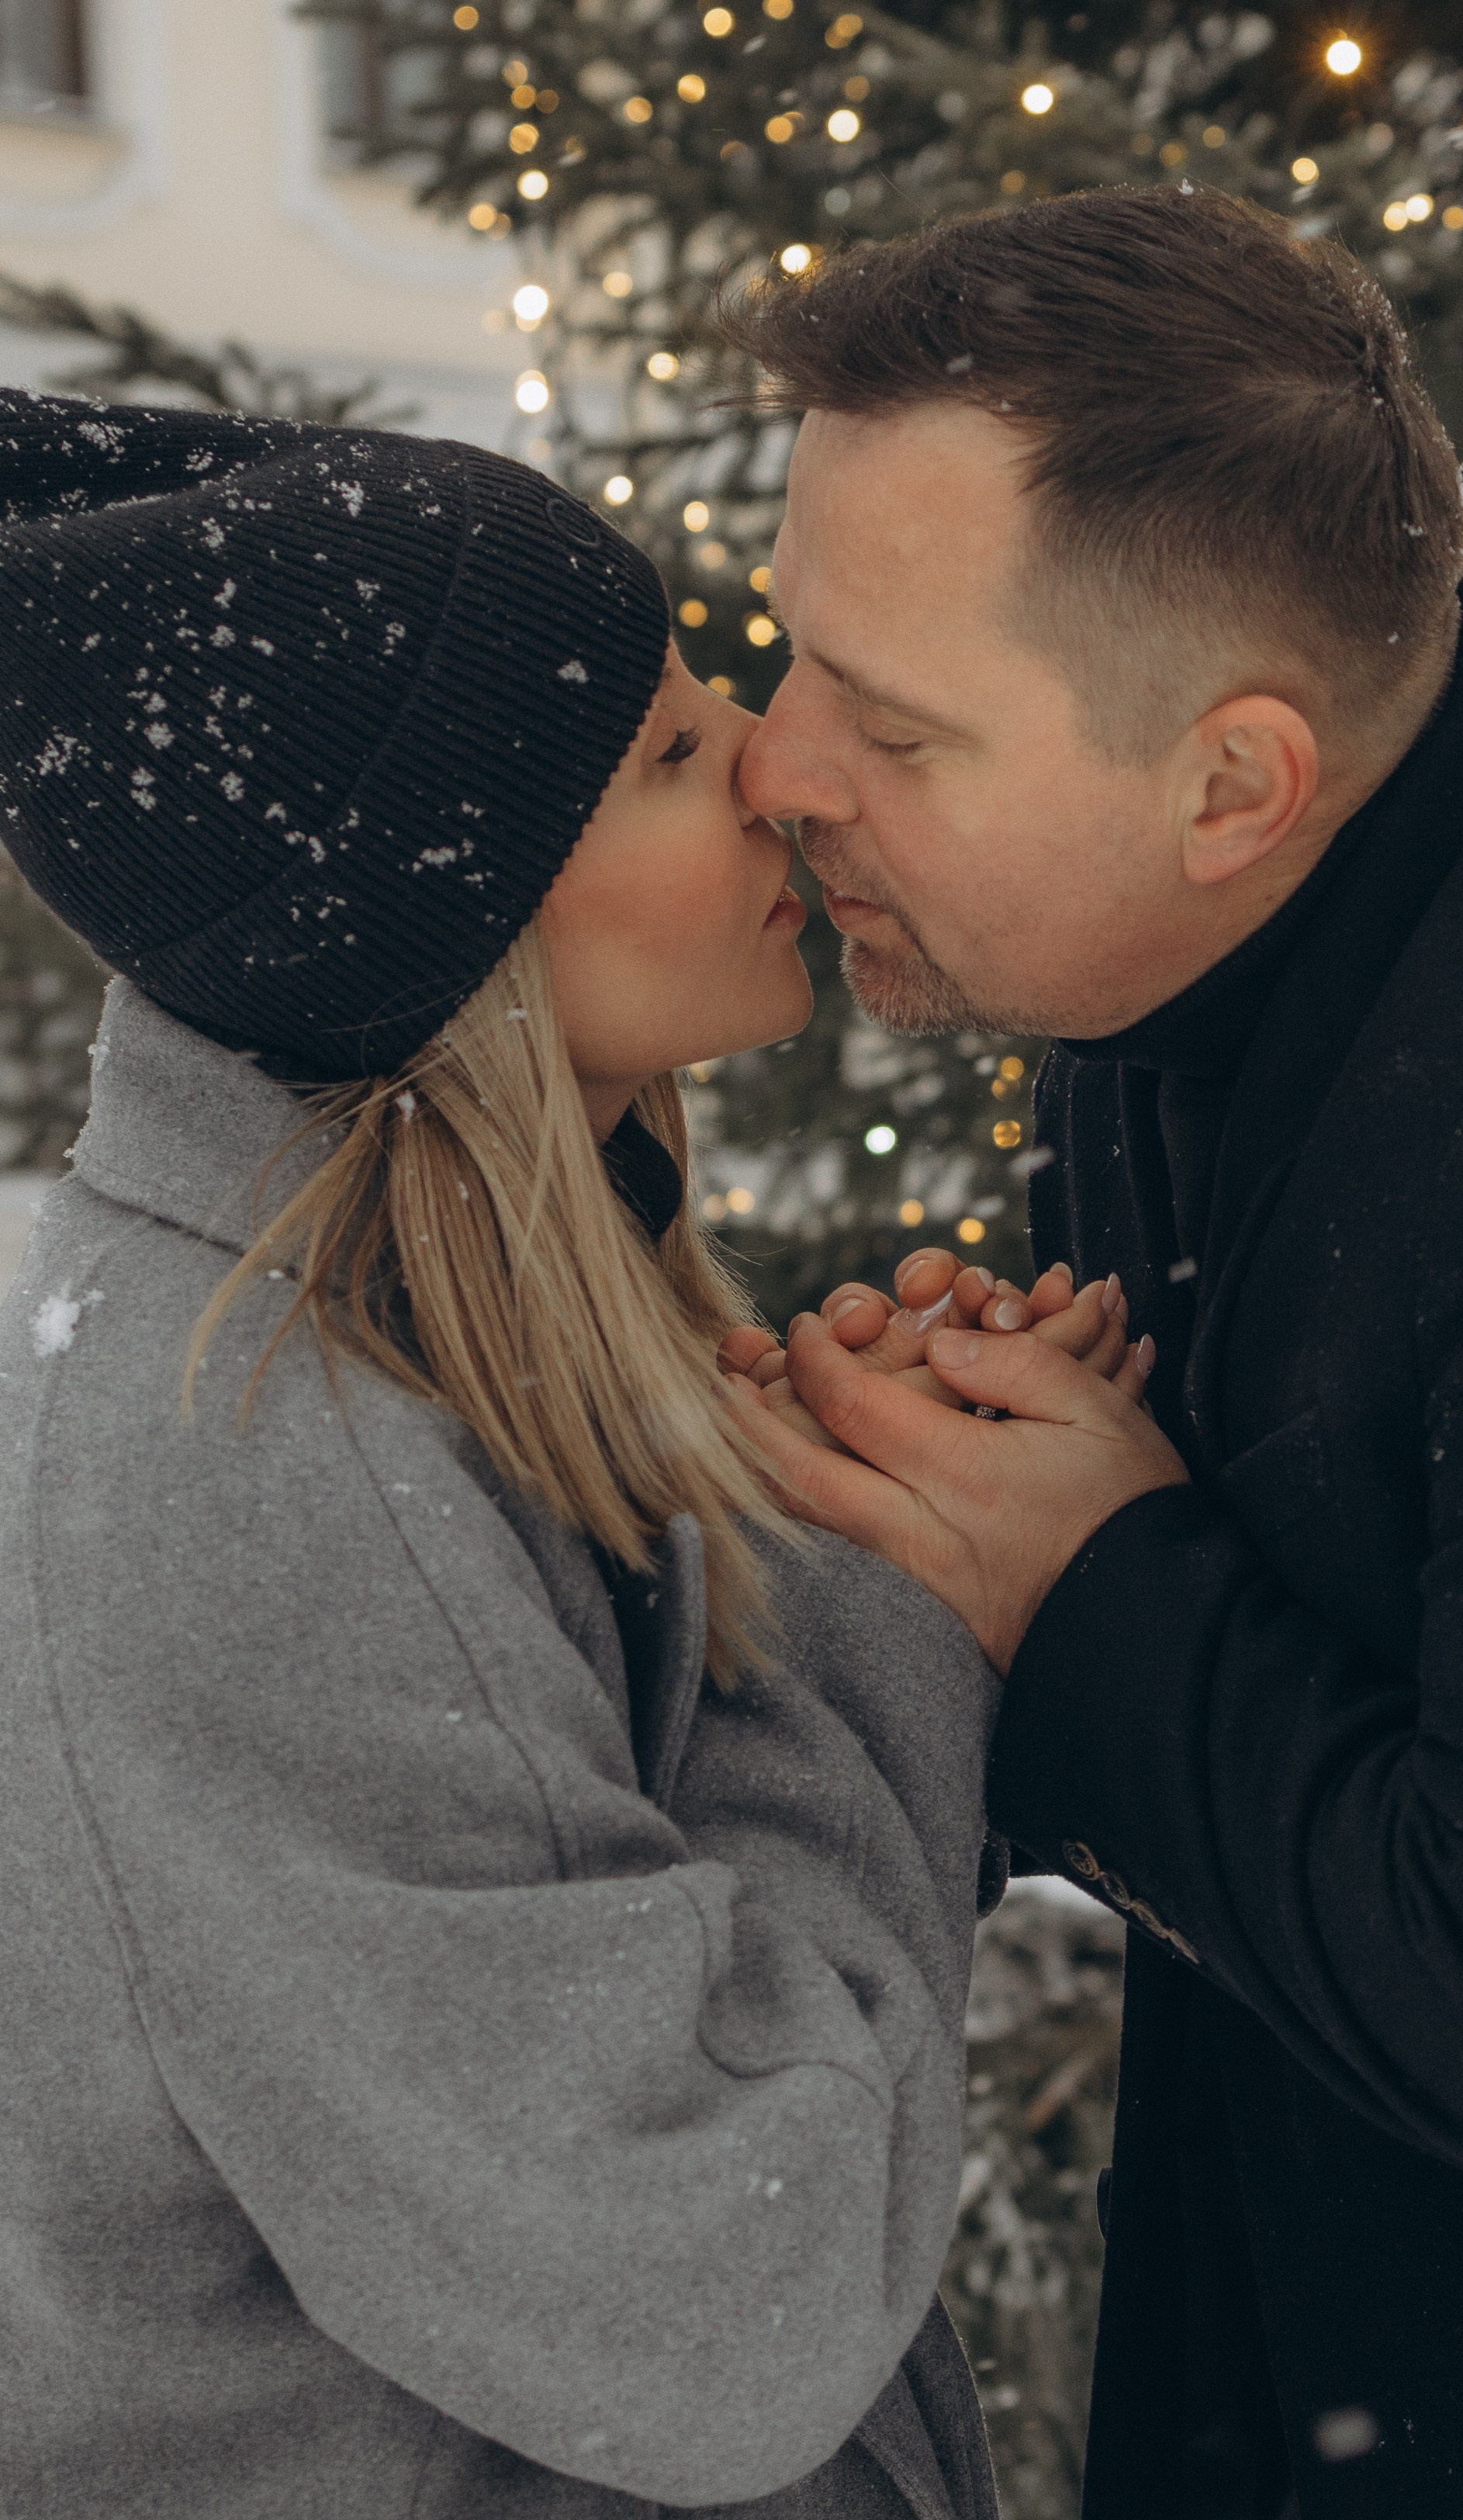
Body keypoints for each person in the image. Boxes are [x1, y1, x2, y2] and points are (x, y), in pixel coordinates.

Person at [0, 389, 1127, 2518]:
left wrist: (805, 1510)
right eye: (672, 757)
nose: (775, 771)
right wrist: (869, 1588)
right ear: (455, 918)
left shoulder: (395, 1333)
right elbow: (721, 2309)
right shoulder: (277, 1487)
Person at [719, 188, 1463, 2516]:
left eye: (891, 722)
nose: (774, 765)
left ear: (1236, 782)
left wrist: (1080, 1588)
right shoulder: (1181, 955)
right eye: (791, 654)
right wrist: (924, 1526)